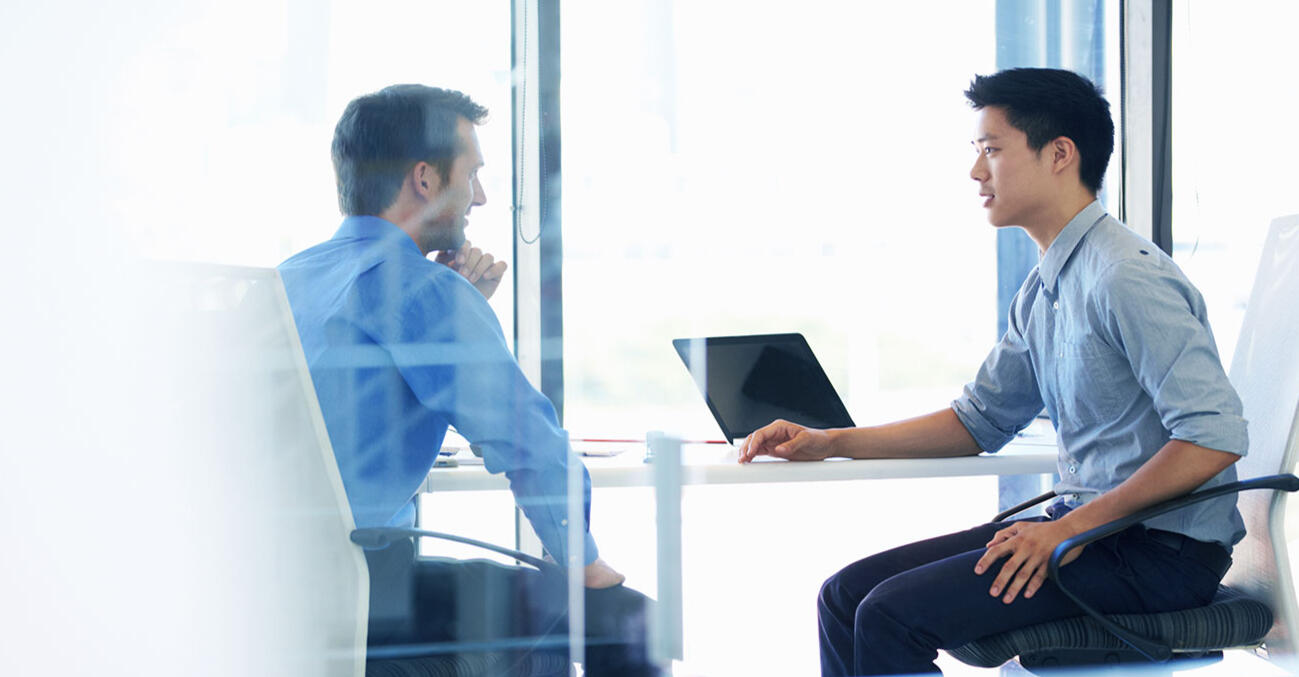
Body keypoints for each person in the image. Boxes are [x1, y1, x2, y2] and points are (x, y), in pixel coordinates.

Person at [738, 68, 1247, 676]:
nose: (976, 172)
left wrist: (1068, 530)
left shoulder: (1125, 275)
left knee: (890, 617)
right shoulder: (1045, 288)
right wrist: (831, 442)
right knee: (844, 597)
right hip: (1091, 534)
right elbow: (977, 422)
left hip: (1156, 554)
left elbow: (1213, 436)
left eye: (991, 150)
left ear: (1059, 154)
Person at [278, 84, 657, 676]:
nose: (480, 195)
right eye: (472, 174)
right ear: (425, 180)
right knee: (621, 620)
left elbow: (350, 431)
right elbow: (524, 440)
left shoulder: (290, 279)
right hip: (369, 600)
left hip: (278, 599)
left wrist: (465, 310)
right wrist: (583, 561)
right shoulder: (421, 293)